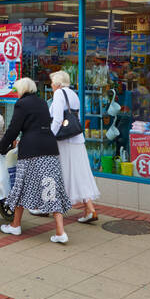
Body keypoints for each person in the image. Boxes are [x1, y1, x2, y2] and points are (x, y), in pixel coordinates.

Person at [0, 77, 70, 244]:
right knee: (51, 187)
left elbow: (14, 128)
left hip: (31, 150)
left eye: (16, 91)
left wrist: (1, 146)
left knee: (21, 185)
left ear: (22, 90)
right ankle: (60, 232)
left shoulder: (22, 104)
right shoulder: (42, 102)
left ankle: (15, 226)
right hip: (50, 147)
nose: (16, 94)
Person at [50, 70, 100, 224]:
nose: (51, 85)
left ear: (57, 84)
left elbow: (58, 119)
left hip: (64, 140)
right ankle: (89, 208)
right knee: (79, 173)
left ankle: (51, 206)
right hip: (76, 139)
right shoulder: (73, 94)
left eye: (52, 82)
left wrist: (49, 136)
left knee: (57, 171)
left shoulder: (59, 94)